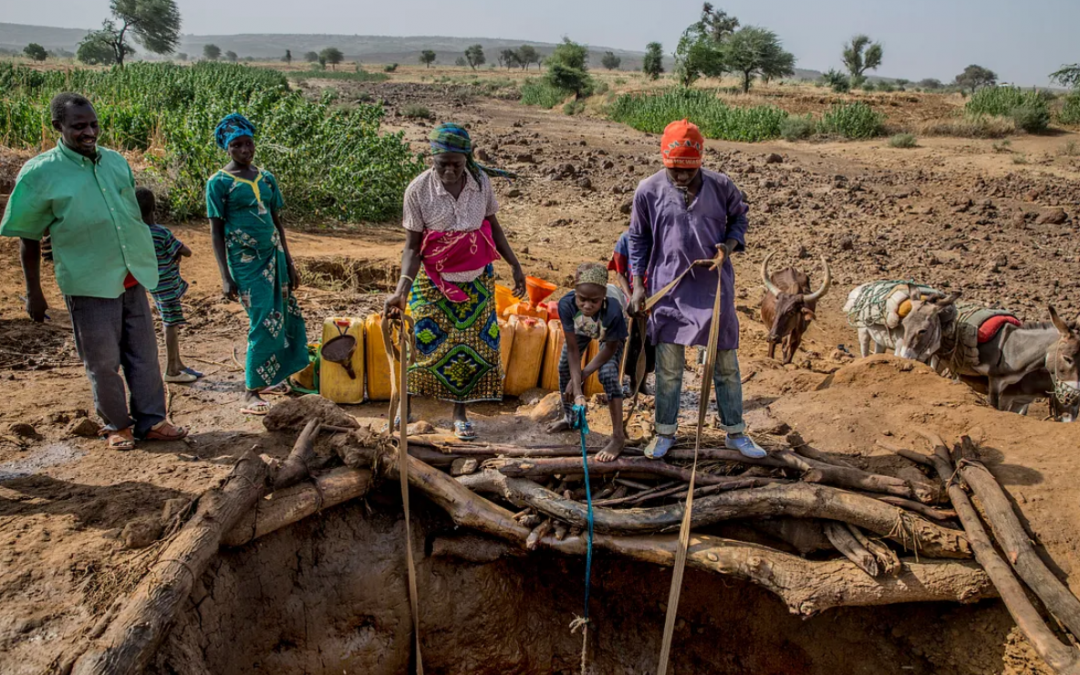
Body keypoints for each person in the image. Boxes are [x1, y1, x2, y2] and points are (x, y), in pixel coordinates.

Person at [0, 93, 187, 450]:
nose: (90, 132)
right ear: (58, 127)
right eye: (79, 126)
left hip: (131, 274)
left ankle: (153, 421)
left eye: (94, 124)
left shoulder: (115, 162)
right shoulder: (41, 172)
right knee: (103, 361)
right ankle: (117, 425)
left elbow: (129, 214)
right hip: (88, 280)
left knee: (144, 355)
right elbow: (27, 236)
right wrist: (33, 293)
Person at [628, 119, 766, 460]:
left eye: (688, 171)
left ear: (700, 161)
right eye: (674, 170)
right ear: (665, 161)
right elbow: (638, 239)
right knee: (669, 368)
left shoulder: (722, 187)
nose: (681, 177)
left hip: (713, 289)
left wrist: (728, 246)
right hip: (669, 288)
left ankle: (735, 432)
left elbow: (740, 219)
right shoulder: (648, 190)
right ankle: (665, 432)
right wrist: (637, 286)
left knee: (725, 363)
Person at [384, 123, 526, 440]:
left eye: (456, 164)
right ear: (432, 160)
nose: (449, 171)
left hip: (476, 281)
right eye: (442, 164)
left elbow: (493, 226)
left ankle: (460, 414)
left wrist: (515, 264)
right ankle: (404, 411)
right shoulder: (418, 191)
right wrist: (400, 291)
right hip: (433, 280)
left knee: (469, 346)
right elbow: (412, 247)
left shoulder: (480, 183)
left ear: (467, 159)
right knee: (416, 341)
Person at [206, 113, 308, 415]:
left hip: (274, 256)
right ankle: (251, 391)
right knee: (263, 319)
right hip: (246, 262)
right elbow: (215, 231)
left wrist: (290, 262)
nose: (245, 150)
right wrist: (225, 276)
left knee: (286, 316)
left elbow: (277, 222)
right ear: (227, 148)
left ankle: (273, 378)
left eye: (248, 143)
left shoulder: (266, 178)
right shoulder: (219, 183)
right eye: (237, 145)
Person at [548, 263, 629, 461]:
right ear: (575, 292)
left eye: (594, 301)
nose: (587, 305)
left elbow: (609, 349)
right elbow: (574, 350)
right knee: (564, 367)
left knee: (608, 374)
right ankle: (570, 417)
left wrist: (583, 375)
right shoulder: (567, 305)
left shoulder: (614, 310)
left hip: (608, 330)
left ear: (603, 297)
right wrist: (577, 394)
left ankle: (618, 437)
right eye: (582, 299)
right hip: (584, 325)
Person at [135, 187, 201, 384]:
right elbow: (186, 251)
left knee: (169, 321)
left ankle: (178, 363)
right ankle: (171, 369)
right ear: (154, 207)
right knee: (170, 323)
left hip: (154, 283)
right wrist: (177, 253)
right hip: (167, 285)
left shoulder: (138, 233)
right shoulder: (160, 232)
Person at [608, 228, 655, 395]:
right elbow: (620, 274)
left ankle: (643, 382)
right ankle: (633, 383)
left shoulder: (662, 237)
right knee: (633, 343)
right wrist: (630, 297)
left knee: (651, 344)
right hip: (633, 301)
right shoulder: (626, 239)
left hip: (656, 300)